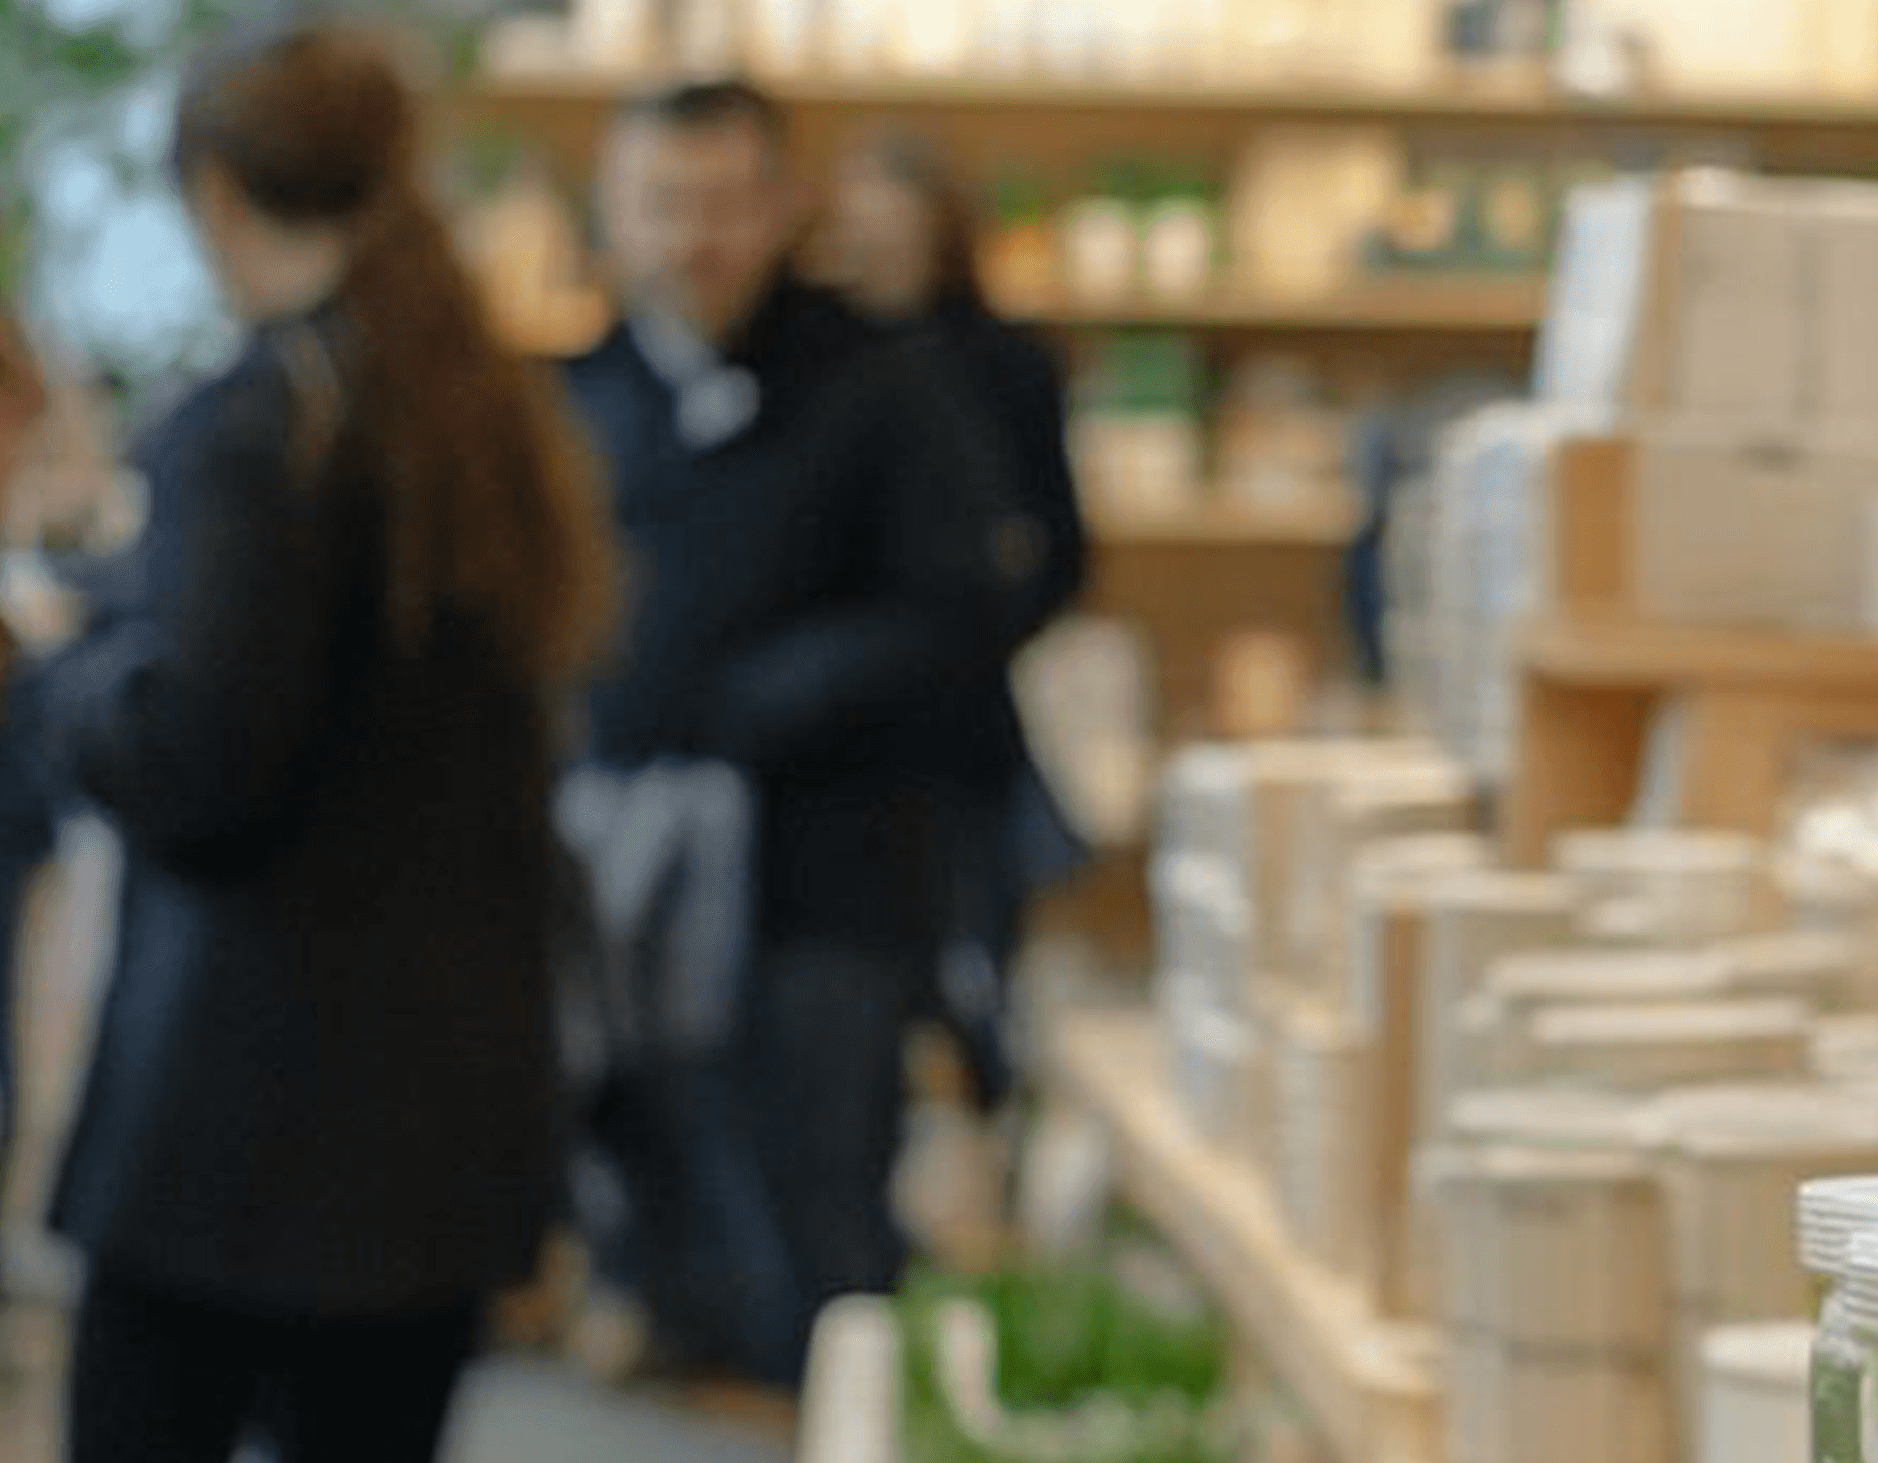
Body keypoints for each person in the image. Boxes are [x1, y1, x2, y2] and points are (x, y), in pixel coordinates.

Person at [0, 21, 618, 1463]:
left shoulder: (261, 419)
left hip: (247, 1118)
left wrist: (59, 663)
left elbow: (195, 757)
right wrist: (115, 606)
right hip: (435, 1104)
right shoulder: (456, 402)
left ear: (217, 195)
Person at [561, 79, 1031, 1389]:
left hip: (827, 876)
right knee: (654, 1184)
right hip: (630, 876)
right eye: (663, 205)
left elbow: (963, 608)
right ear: (615, 212)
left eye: (721, 204)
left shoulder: (885, 384)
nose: (692, 239)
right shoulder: (590, 393)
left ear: (780, 207)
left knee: (820, 1215)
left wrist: (770, 695)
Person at [815, 131, 1092, 1112]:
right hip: (837, 753)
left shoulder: (1005, 362)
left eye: (900, 237)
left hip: (965, 735)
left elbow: (1063, 552)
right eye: (860, 237)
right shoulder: (819, 369)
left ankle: (974, 1181)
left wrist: (970, 631)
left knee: (976, 990)